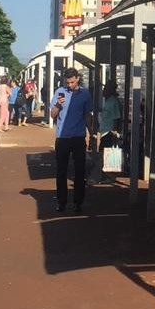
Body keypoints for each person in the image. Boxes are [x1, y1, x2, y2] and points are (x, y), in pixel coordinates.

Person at [51, 67, 94, 213]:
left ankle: (78, 203)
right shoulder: (59, 92)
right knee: (61, 171)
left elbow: (87, 115)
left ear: (78, 79)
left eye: (72, 82)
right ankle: (61, 202)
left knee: (80, 170)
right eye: (67, 82)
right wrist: (58, 104)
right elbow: (52, 115)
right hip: (62, 137)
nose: (69, 85)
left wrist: (92, 133)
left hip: (78, 137)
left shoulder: (85, 94)